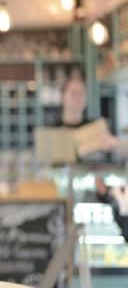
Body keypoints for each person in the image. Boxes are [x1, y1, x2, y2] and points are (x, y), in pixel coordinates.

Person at [54, 75, 128, 242]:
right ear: (63, 96)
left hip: (94, 200)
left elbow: (114, 162)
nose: (77, 97)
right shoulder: (51, 131)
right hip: (62, 205)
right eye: (73, 92)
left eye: (81, 93)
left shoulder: (97, 129)